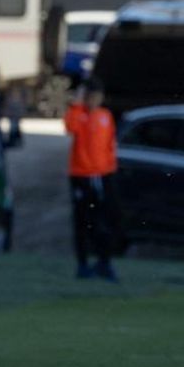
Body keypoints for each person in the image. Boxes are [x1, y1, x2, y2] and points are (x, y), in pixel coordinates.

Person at [63, 83, 120, 281]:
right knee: (82, 221)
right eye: (90, 97)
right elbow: (70, 127)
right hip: (81, 176)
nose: (94, 101)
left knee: (103, 220)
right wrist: (77, 104)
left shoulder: (105, 116)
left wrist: (110, 169)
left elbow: (110, 145)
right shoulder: (79, 115)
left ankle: (104, 262)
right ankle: (82, 264)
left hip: (103, 175)